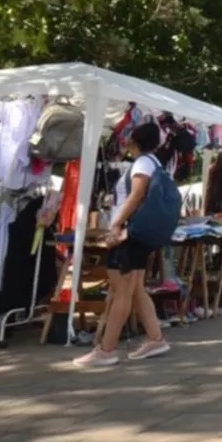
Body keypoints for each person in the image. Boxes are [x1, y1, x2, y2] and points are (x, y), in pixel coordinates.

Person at [73, 123, 171, 368]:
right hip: (139, 234)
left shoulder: (142, 164)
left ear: (134, 141)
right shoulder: (155, 163)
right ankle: (156, 338)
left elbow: (136, 195)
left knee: (121, 289)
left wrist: (116, 225)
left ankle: (106, 349)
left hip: (130, 234)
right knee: (135, 288)